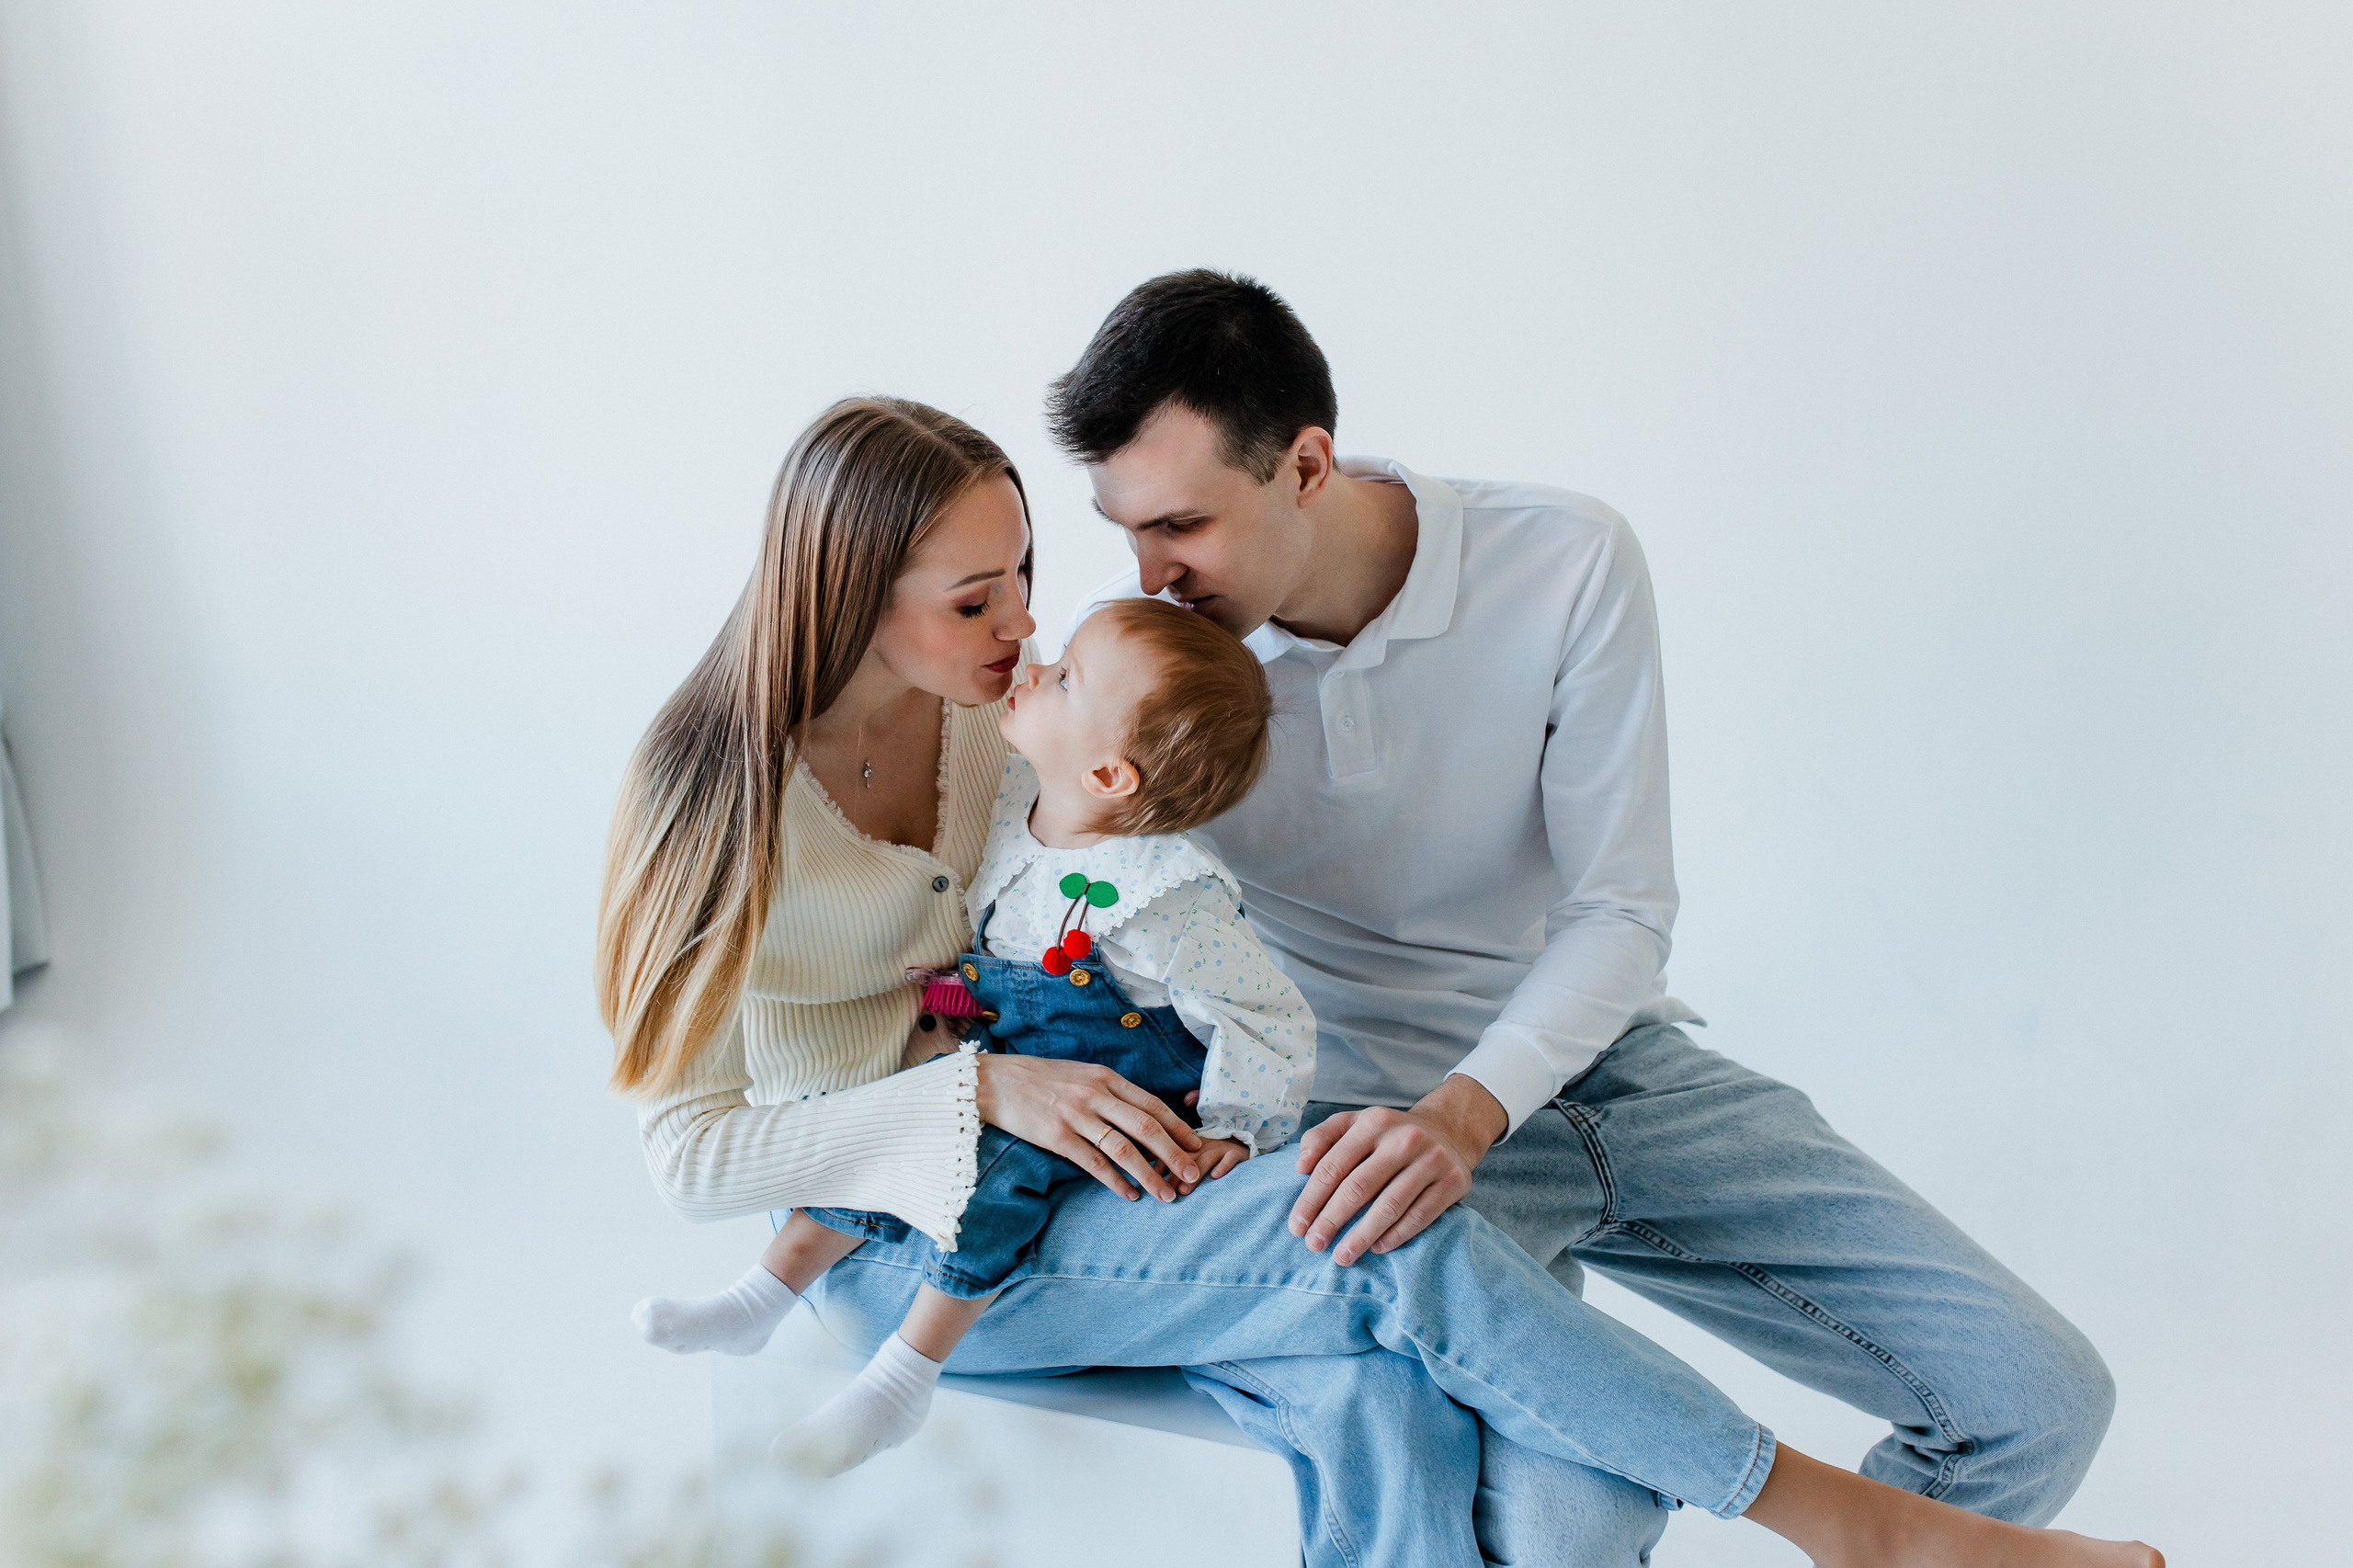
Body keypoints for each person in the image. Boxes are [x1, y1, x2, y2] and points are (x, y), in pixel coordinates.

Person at [608, 393, 2161, 1568]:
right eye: (975, 602)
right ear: (845, 592)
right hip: (905, 1242)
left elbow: (1101, 883)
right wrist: (976, 1093)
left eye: (1025, 577)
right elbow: (689, 1159)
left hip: (1114, 1158)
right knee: (1376, 1260)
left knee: (1382, 1399)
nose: (1026, 628)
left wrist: (1197, 1065)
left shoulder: (987, 728)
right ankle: (1851, 1526)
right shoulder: (711, 798)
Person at [1046, 269, 2139, 1563]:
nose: (1150, 573)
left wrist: (1471, 1107)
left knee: (2037, 1401)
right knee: (1573, 1520)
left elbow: (1621, 905)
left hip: (1598, 1062)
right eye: (1125, 530)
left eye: (1182, 523)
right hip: (1359, 1127)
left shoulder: (1561, 556)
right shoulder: (1146, 676)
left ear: (1305, 463)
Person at [641, 597, 1318, 1475]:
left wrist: (1236, 1126)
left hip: (1096, 1086)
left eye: (1064, 678)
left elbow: (1266, 1015)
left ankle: (901, 1380)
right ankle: (757, 1299)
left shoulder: (1169, 896)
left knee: (980, 1186)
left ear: (1111, 777)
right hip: (996, 1056)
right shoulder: (1009, 805)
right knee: (884, 1137)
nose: (1033, 666)